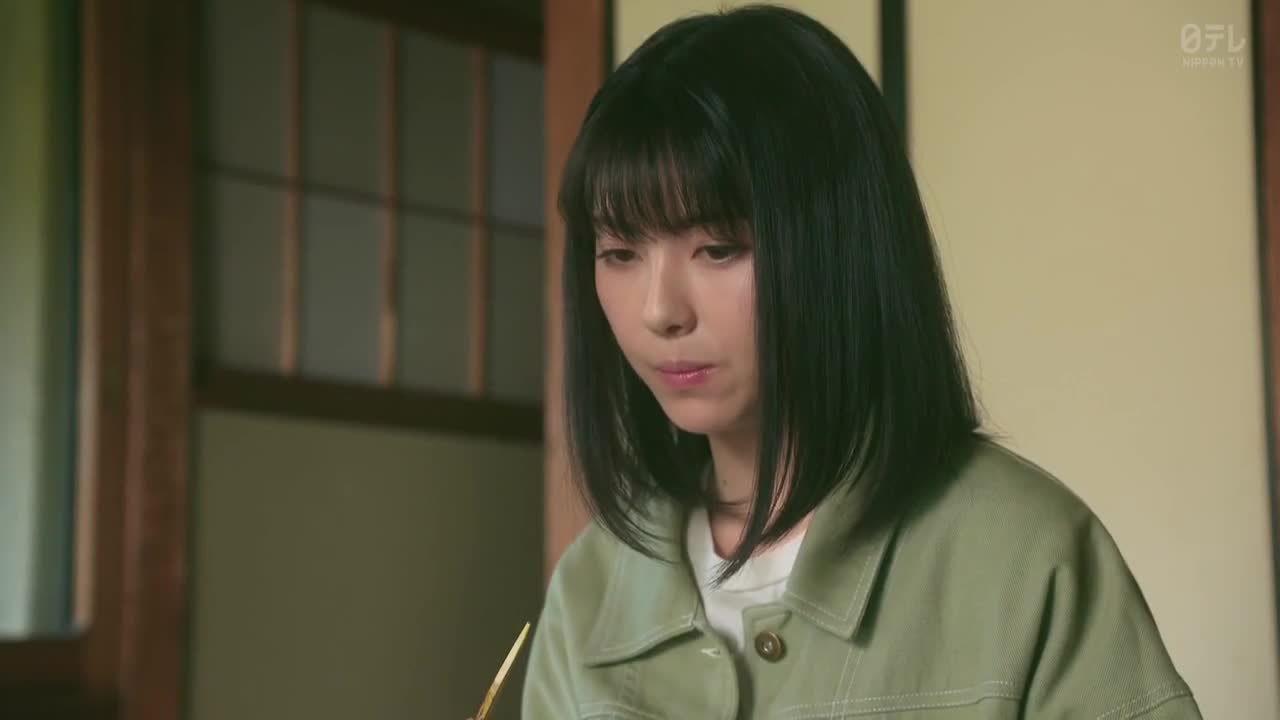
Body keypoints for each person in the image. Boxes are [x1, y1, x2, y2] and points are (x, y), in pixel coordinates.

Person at [523, 5, 1201, 718]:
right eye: (619, 253)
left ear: (840, 246)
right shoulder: (592, 586)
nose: (660, 309)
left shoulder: (1026, 556)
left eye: (718, 248)